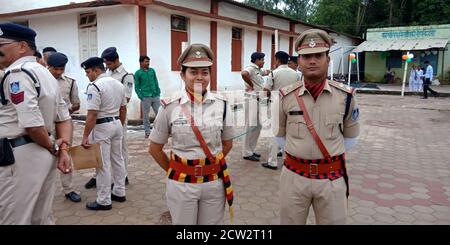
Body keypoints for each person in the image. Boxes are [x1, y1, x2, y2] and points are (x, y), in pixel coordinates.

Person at [275, 29, 360, 225]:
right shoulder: (284, 97)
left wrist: (323, 158)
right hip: (294, 177)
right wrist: (301, 154)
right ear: (298, 61)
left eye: (318, 55)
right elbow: (280, 138)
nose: (312, 61)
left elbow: (350, 139)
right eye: (306, 56)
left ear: (328, 59)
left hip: (331, 178)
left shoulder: (346, 96)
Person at [149, 43, 234, 225]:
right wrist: (177, 171)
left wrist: (209, 165)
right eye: (193, 72)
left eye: (205, 72)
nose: (199, 77)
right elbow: (155, 148)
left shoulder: (222, 104)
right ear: (182, 75)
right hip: (182, 185)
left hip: (213, 183)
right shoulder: (170, 106)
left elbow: (227, 144)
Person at [0, 23, 73, 224]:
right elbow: (64, 118)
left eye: (2, 43)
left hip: (21, 155)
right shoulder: (44, 74)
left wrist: (54, 147)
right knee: (41, 216)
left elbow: (31, 124)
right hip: (41, 151)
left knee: (16, 218)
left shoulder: (17, 73)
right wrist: (62, 149)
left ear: (22, 46)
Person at [80, 57, 127, 210]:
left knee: (103, 165)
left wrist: (85, 136)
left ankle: (104, 200)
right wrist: (119, 123)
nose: (87, 75)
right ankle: (119, 192)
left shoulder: (95, 86)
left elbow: (92, 114)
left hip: (102, 127)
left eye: (88, 72)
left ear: (96, 70)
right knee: (118, 159)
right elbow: (123, 109)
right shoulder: (119, 84)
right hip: (116, 123)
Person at [47, 52, 82, 203]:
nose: (59, 72)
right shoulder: (39, 81)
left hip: (64, 123)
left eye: (62, 69)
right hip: (45, 125)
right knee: (45, 156)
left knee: (65, 154)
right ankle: (43, 190)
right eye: (56, 69)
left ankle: (68, 189)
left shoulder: (70, 82)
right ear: (49, 66)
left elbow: (76, 103)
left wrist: (68, 109)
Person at [262, 51, 300, 170]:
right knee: (289, 132)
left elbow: (266, 90)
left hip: (276, 104)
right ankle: (287, 160)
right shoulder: (296, 74)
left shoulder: (273, 73)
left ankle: (272, 162)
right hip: (292, 105)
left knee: (274, 133)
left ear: (277, 60)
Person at [101, 47, 133, 186]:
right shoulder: (107, 73)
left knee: (121, 148)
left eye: (109, 64)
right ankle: (112, 176)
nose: (107, 67)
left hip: (119, 116)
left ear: (116, 60)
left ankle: (123, 176)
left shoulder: (127, 76)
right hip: (107, 117)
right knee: (109, 151)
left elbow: (126, 98)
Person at [241, 52, 267, 162]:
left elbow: (266, 72)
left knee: (257, 125)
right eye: (262, 60)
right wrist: (251, 85)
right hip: (251, 100)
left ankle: (251, 149)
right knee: (250, 126)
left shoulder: (258, 69)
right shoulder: (250, 68)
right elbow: (244, 74)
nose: (264, 61)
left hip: (258, 100)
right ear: (257, 60)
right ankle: (246, 152)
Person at [135, 55, 161, 139]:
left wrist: (158, 91)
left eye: (148, 61)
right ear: (141, 62)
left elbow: (156, 81)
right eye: (146, 61)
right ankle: (147, 132)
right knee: (146, 116)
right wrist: (141, 96)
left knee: (160, 114)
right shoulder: (138, 73)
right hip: (145, 97)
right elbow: (136, 86)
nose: (148, 63)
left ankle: (160, 131)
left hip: (155, 95)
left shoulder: (152, 71)